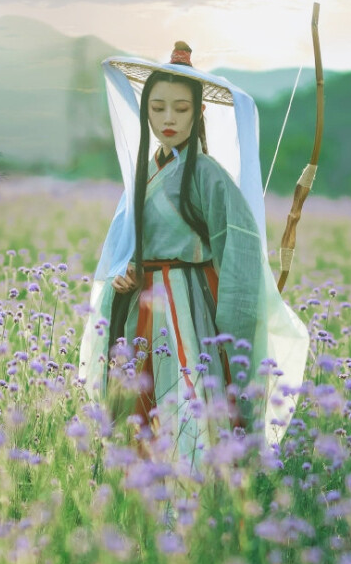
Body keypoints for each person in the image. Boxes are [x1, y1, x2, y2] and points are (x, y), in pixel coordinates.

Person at [78, 41, 309, 470]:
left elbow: (238, 251)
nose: (168, 119)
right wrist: (124, 275)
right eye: (159, 107)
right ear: (145, 110)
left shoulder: (208, 175)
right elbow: (129, 245)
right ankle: (142, 488)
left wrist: (236, 326)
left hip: (190, 305)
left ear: (198, 113)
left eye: (181, 109)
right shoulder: (145, 172)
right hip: (143, 306)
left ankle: (194, 491)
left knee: (189, 397)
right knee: (140, 400)